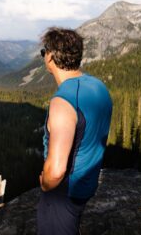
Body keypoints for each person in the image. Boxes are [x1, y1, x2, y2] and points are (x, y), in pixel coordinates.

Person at [37, 27, 112, 235]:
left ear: (51, 56)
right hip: (86, 185)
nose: (44, 57)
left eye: (44, 52)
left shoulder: (63, 101)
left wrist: (45, 183)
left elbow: (57, 170)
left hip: (64, 192)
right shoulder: (98, 86)